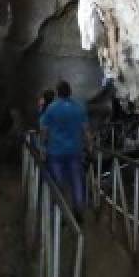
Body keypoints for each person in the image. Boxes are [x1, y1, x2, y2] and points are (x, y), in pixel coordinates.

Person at [39, 79, 90, 215]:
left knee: (58, 182)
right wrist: (89, 147)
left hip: (55, 152)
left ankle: (60, 211)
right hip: (74, 151)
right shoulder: (79, 108)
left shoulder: (51, 108)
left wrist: (42, 147)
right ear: (70, 92)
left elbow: (44, 130)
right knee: (76, 180)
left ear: (58, 93)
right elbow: (85, 130)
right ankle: (78, 208)